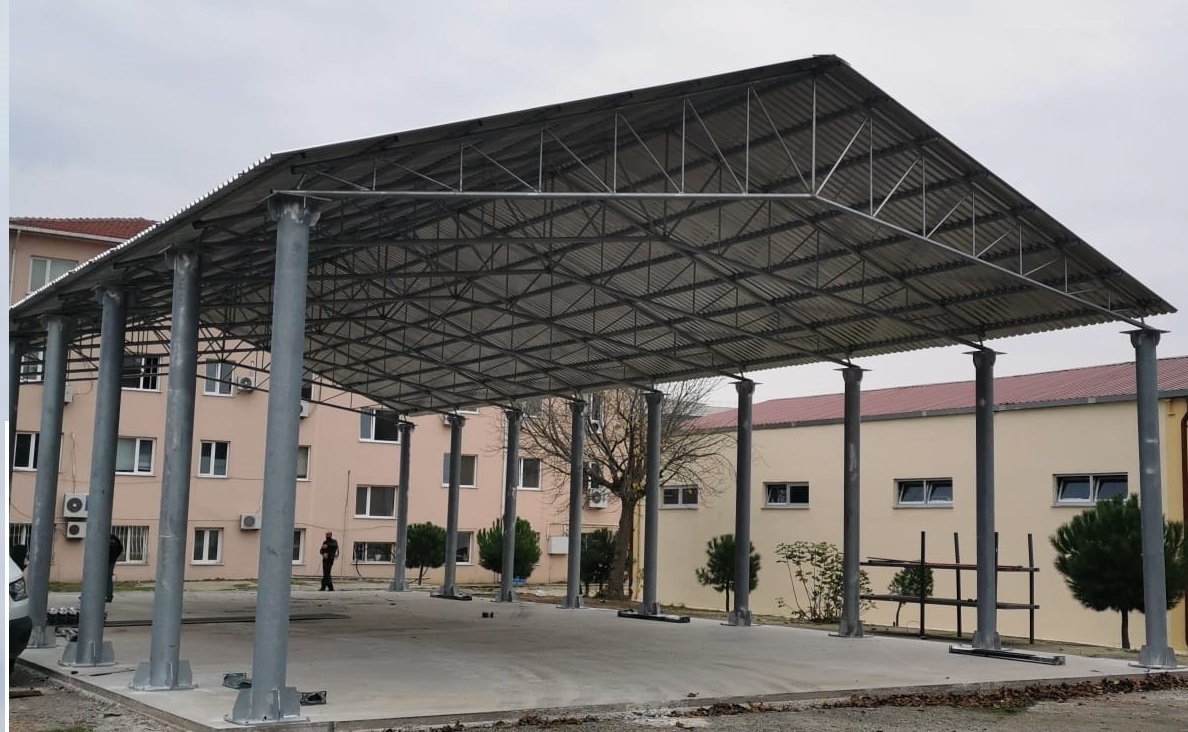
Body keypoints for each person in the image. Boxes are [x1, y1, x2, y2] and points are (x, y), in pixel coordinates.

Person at [106, 532, 124, 603]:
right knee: (108, 578)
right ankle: (109, 596)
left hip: (103, 561)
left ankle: (90, 595)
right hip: (111, 561)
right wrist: (114, 557)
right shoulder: (115, 538)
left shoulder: (103, 538)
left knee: (96, 578)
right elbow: (120, 548)